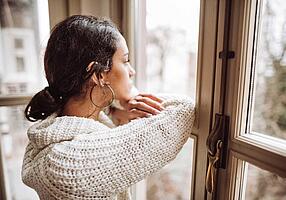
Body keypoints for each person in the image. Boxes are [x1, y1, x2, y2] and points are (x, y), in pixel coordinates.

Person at [22, 15, 195, 200]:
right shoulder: (71, 162)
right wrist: (133, 98)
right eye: (125, 61)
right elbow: (183, 109)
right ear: (99, 74)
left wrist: (113, 108)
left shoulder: (53, 132)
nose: (132, 71)